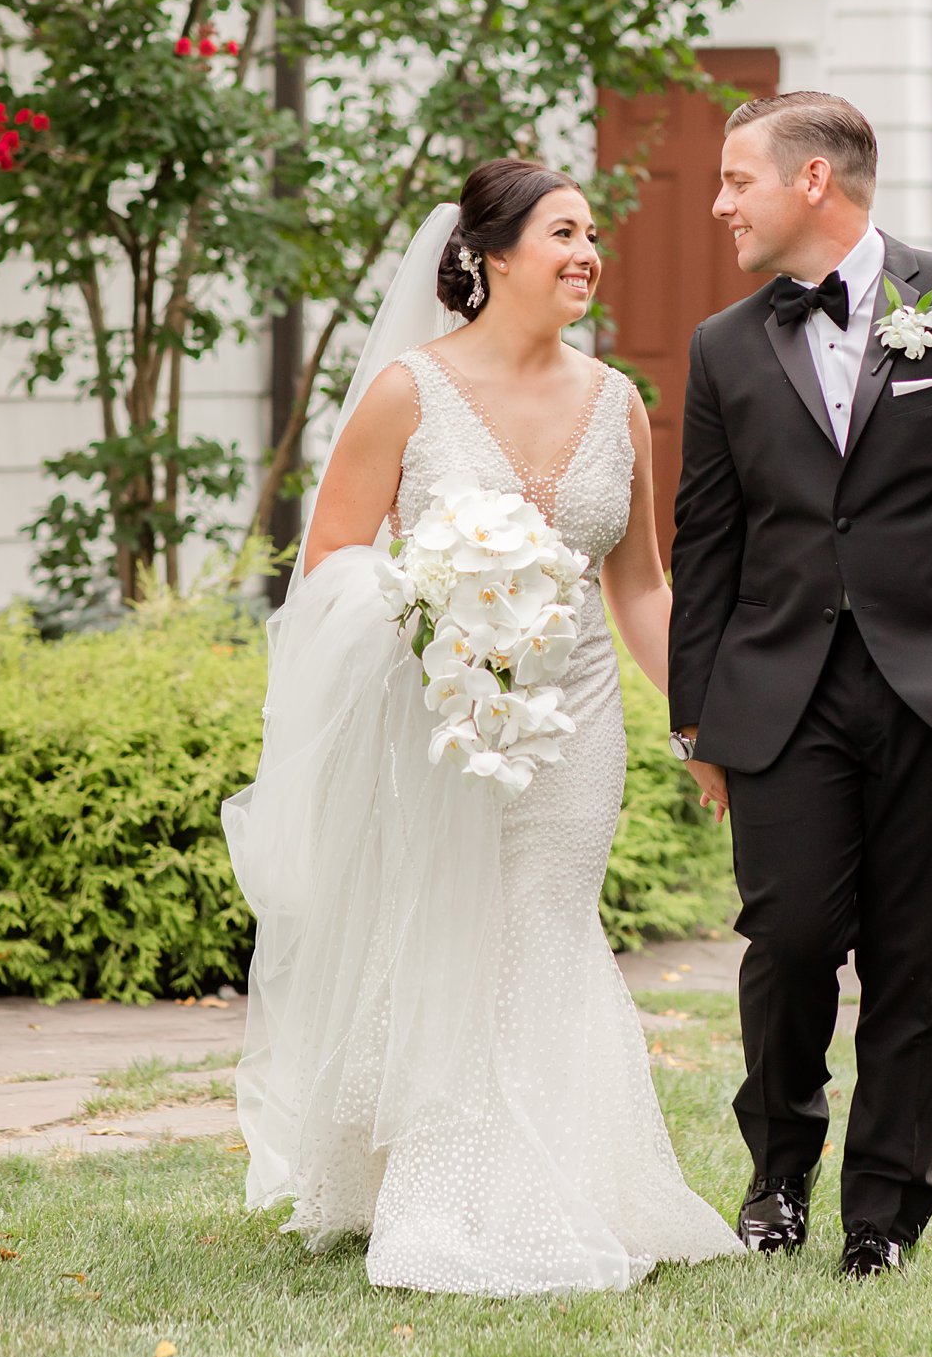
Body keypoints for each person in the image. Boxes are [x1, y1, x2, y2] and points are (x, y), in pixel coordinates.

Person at [222, 160, 743, 1294]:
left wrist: (696, 723)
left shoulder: (619, 403)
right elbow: (331, 566)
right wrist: (435, 611)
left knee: (548, 920)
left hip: (582, 716)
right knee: (456, 925)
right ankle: (442, 1192)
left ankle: (573, 1183)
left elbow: (640, 587)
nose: (586, 253)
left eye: (591, 234)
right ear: (490, 255)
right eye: (562, 232)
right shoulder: (409, 392)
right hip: (443, 715)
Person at [668, 92, 932, 1278]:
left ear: (812, 183)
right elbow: (704, 539)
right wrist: (693, 712)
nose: (717, 205)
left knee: (916, 956)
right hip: (778, 689)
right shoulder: (719, 345)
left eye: (734, 180)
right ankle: (776, 1174)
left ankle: (884, 1214)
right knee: (791, 936)